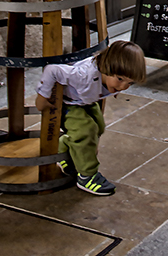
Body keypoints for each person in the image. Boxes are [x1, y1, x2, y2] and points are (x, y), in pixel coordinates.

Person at [36, 40, 146, 196]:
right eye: (120, 79)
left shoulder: (110, 76)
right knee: (86, 130)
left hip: (84, 100)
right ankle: (87, 176)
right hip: (67, 104)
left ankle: (65, 147)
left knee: (99, 126)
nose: (123, 87)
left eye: (130, 83)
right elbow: (51, 70)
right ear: (106, 67)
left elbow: (115, 82)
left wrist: (116, 85)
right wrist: (42, 96)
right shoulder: (83, 76)